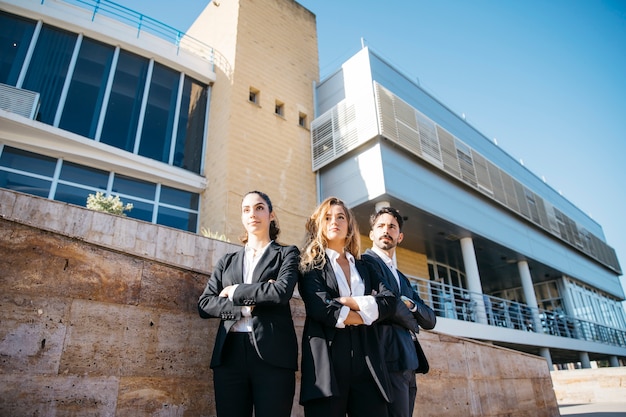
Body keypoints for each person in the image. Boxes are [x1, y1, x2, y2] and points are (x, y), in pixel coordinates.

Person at [197, 191, 299, 417]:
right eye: (246, 209)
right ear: (242, 217)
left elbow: (280, 292)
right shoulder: (227, 261)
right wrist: (246, 306)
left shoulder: (287, 254)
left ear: (271, 215)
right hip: (229, 355)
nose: (253, 214)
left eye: (259, 208)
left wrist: (234, 291)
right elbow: (205, 304)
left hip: (274, 355)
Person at [298, 196, 396, 417]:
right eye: (328, 217)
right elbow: (321, 309)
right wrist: (368, 314)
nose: (335, 221)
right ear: (319, 225)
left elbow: (389, 301)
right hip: (328, 360)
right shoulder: (309, 265)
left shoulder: (366, 264)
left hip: (368, 358)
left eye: (341, 217)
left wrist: (347, 302)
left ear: (349, 226)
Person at [362, 206, 436, 417]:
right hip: (386, 355)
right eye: (381, 226)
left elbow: (430, 319)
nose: (387, 230)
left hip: (409, 360)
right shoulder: (366, 263)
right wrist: (413, 322)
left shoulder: (402, 277)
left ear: (400, 236)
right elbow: (390, 305)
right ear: (372, 233)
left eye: (392, 227)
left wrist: (411, 306)